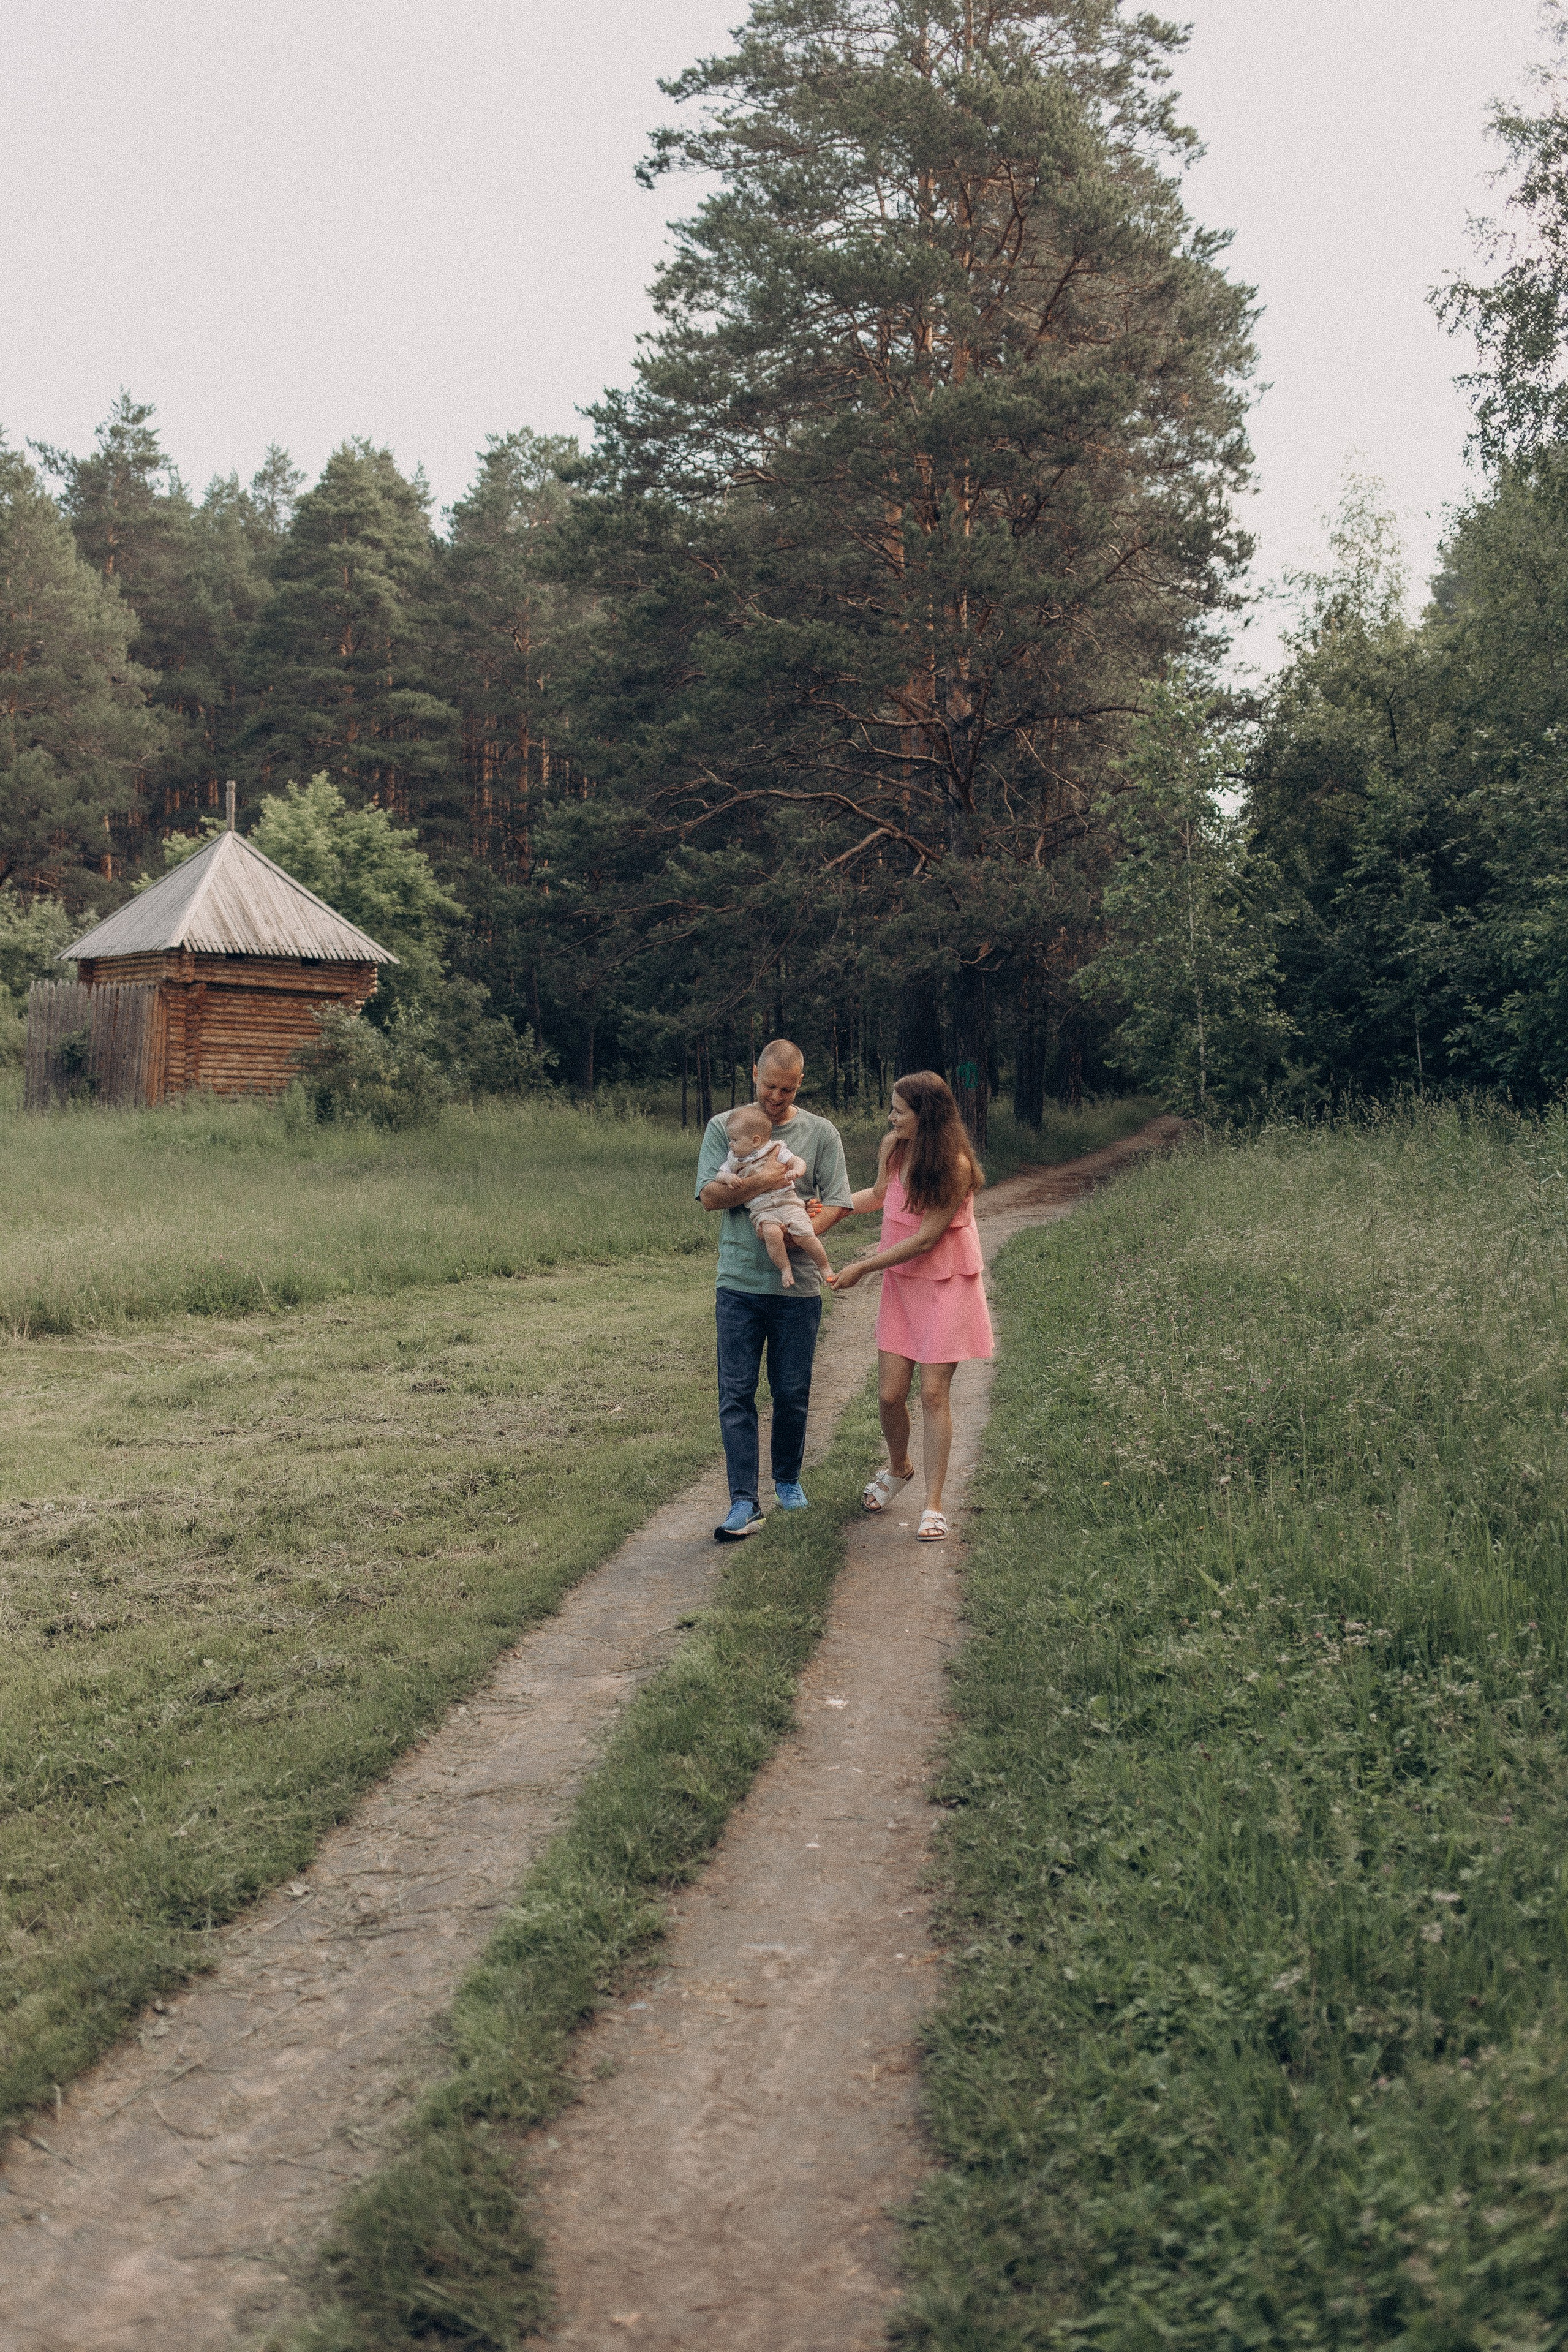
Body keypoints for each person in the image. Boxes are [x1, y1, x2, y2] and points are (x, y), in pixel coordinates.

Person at [695, 1040, 854, 1540]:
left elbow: (839, 1201)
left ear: (799, 1085)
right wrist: (762, 1181)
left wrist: (810, 1230)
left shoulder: (820, 1133)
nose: (777, 1098)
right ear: (754, 1076)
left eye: (788, 1090)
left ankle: (788, 1481)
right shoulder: (725, 1127)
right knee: (736, 1394)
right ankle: (744, 1500)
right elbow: (710, 1197)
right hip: (739, 1283)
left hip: (798, 1288)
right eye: (770, 1087)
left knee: (792, 1392)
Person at [832, 1070, 993, 1542]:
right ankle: (899, 1467)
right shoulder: (892, 1149)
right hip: (904, 1287)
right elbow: (880, 1197)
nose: (891, 1118)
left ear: (927, 1115)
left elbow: (925, 1239)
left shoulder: (957, 1164)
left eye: (899, 1112)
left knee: (933, 1395)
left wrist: (864, 1266)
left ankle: (934, 1506)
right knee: (889, 1396)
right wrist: (825, 1210)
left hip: (946, 1285)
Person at [715, 1102, 837, 1291]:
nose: (730, 1144)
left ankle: (825, 1267)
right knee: (771, 1234)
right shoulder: (733, 1159)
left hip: (788, 1203)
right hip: (763, 1209)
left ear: (755, 1140)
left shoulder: (776, 1149)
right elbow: (719, 1175)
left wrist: (796, 1170)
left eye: (735, 1140)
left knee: (805, 1234)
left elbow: (797, 1161)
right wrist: (728, 1177)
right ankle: (785, 1269)